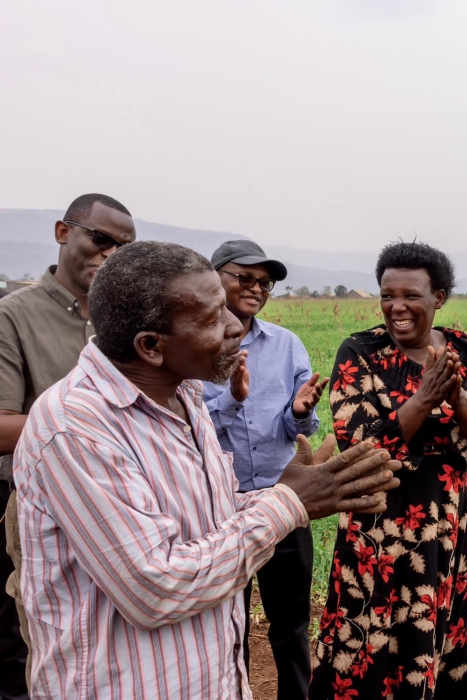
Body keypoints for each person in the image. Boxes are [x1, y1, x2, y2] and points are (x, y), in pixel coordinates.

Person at [12, 241, 401, 699]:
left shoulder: (185, 395)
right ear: (152, 347)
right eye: (214, 316)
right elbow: (155, 587)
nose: (236, 326)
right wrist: (287, 502)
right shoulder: (77, 429)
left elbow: (202, 516)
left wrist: (300, 494)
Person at [310, 241, 467, 700]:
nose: (396, 307)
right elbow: (357, 444)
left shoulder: (466, 349)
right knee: (370, 631)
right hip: (382, 518)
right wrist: (422, 401)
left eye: (411, 296)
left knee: (443, 624)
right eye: (387, 295)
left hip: (450, 519)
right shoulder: (360, 351)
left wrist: (458, 397)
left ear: (438, 297)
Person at [0, 193, 137, 699]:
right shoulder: (12, 316)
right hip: (30, 506)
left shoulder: (122, 322)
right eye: (99, 239)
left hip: (118, 498)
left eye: (123, 249)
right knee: (27, 639)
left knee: (105, 636)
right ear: (63, 233)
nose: (109, 255)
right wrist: (94, 422)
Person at [201, 239, 327, 700]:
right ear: (214, 277)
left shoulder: (286, 345)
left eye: (265, 282)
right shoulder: (193, 345)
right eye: (245, 277)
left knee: (291, 625)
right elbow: (189, 431)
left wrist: (298, 411)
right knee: (225, 627)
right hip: (218, 509)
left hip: (281, 502)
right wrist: (233, 398)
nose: (256, 288)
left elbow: (299, 424)